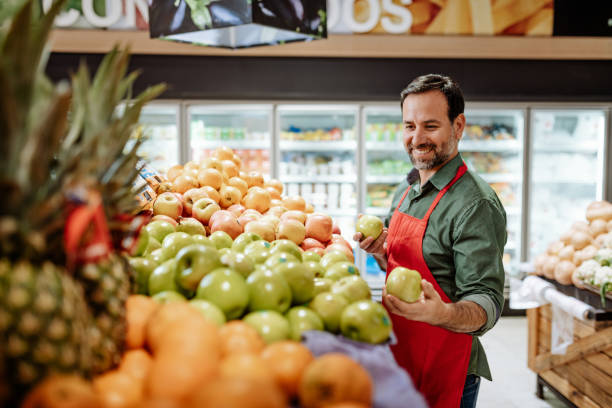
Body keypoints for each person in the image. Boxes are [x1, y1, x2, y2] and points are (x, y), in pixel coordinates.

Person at [354, 74, 506, 408]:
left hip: (446, 366)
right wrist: (382, 253)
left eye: (430, 126)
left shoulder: (476, 204)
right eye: (409, 126)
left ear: (458, 125)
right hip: (398, 352)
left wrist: (441, 313)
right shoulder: (406, 189)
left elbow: (488, 302)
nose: (417, 138)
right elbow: (401, 266)